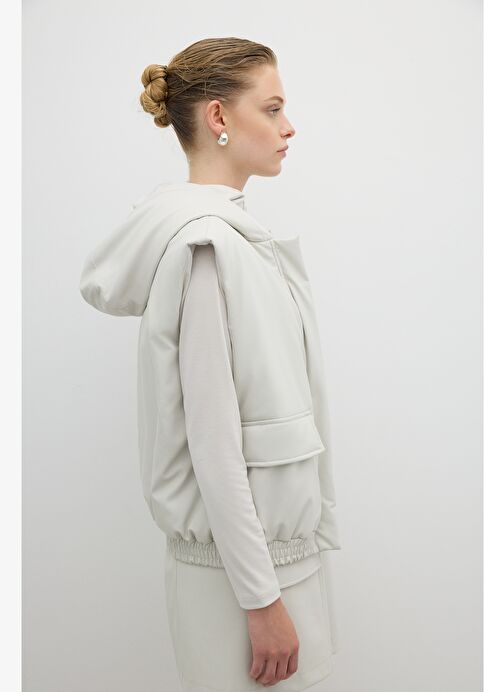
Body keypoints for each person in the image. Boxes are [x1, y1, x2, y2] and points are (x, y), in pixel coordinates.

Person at [80, 37, 341, 691]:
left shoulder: (240, 243)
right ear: (219, 117)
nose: (289, 127)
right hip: (242, 588)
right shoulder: (206, 249)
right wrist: (262, 601)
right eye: (272, 109)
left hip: (274, 570)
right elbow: (213, 445)